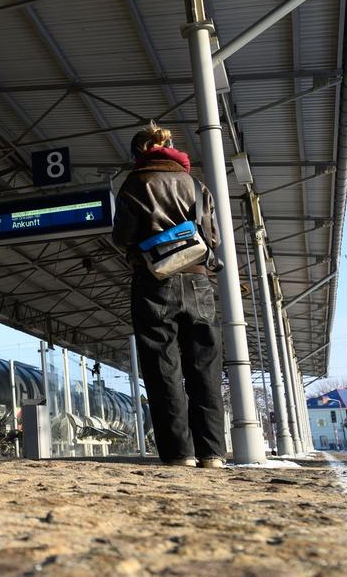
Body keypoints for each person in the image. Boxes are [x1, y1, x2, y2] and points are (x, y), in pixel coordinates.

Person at [112, 122, 226, 468]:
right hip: (197, 279)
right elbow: (213, 238)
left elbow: (122, 237)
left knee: (162, 366)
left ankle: (180, 454)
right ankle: (213, 454)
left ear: (138, 153)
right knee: (204, 366)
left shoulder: (134, 183)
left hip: (153, 281)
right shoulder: (196, 184)